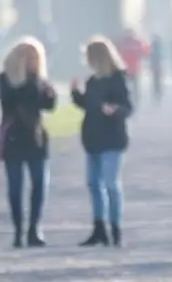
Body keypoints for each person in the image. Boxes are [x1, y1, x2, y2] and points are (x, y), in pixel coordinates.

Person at [72, 36, 135, 247]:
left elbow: (128, 107)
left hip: (112, 138)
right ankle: (99, 228)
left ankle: (115, 228)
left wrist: (115, 110)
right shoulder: (92, 81)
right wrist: (75, 94)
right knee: (93, 184)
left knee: (111, 184)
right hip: (92, 138)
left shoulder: (118, 79)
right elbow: (87, 105)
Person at [1, 37, 57, 247]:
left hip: (36, 137)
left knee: (39, 185)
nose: (33, 62)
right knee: (15, 187)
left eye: (36, 58)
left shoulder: (39, 80)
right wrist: (30, 84)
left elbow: (48, 105)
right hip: (14, 137)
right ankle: (18, 230)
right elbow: (10, 101)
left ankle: (34, 228)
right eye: (29, 57)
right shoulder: (7, 79)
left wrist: (49, 94)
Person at [116, 29, 150, 106]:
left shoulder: (123, 42)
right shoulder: (136, 42)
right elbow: (145, 53)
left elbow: (145, 53)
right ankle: (134, 101)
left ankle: (133, 101)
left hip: (129, 68)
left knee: (130, 86)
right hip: (130, 68)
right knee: (133, 86)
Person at [149, 35, 164, 103]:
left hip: (156, 65)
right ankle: (158, 92)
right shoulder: (159, 46)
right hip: (157, 65)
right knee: (157, 80)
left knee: (156, 80)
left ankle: (157, 92)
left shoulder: (153, 46)